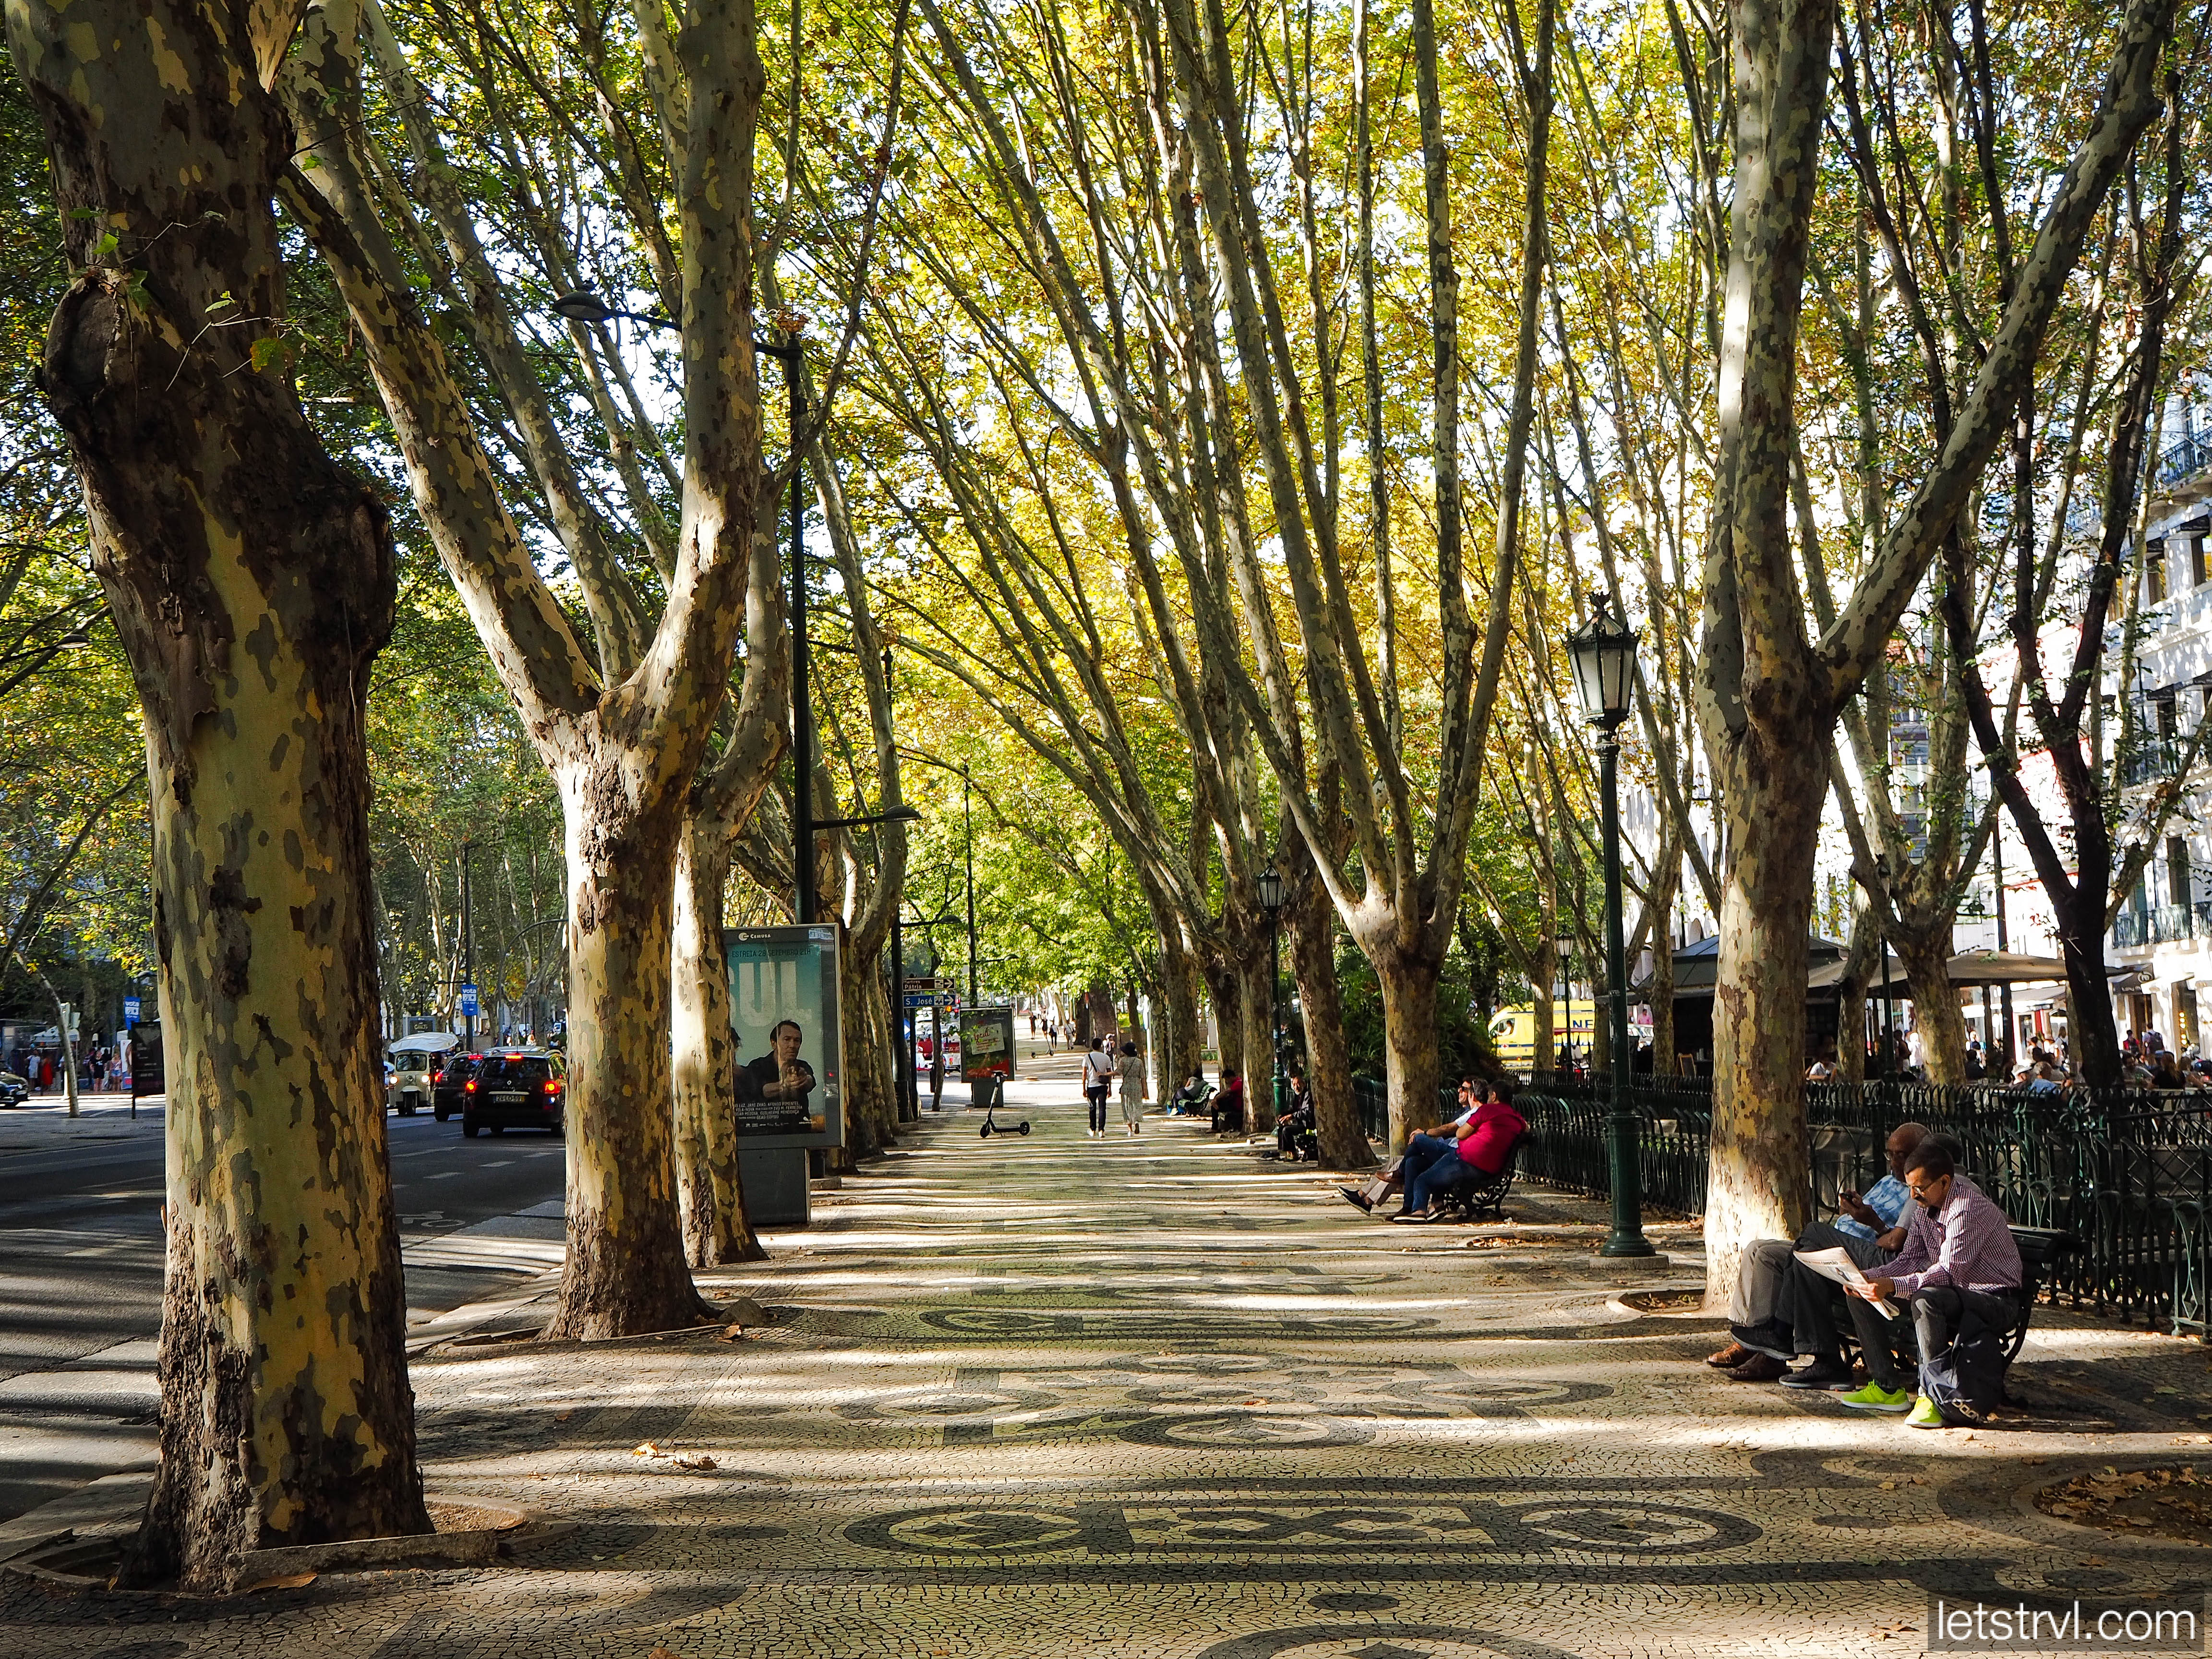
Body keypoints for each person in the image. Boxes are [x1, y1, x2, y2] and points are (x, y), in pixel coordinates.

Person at [1706, 1121, 1928, 1385]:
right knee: (1764, 1251)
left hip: (1869, 1259)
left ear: (1920, 1154)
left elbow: (1896, 1244)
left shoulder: (1921, 1187)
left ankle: (1777, 1340)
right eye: (1890, 1154)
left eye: (1900, 1156)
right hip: (1843, 1245)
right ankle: (1760, 1342)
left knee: (1810, 1236)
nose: (1893, 1162)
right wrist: (1855, 1211)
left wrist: (1872, 1222)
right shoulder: (1889, 1180)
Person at [1839, 1142, 2023, 1426]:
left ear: (1945, 1181)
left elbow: (1949, 1273)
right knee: (1861, 1294)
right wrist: (1869, 1277)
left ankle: (1932, 1396)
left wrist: (1892, 1285)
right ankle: (1887, 1387)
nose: (1913, 1195)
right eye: (1910, 1187)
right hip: (1957, 1292)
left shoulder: (1967, 1209)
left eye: (1920, 1188)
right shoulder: (1923, 1206)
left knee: (1927, 1299)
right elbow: (1909, 1259)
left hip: (1995, 1298)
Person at [1338, 1079, 1482, 1212]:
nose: (1459, 1091)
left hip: (1451, 1156)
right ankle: (1364, 1195)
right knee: (1402, 1161)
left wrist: (1426, 1133)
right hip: (1445, 1151)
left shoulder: (1474, 1114)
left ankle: (1368, 1200)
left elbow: (1451, 1130)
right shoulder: (1462, 1112)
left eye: (1464, 1089)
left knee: (1413, 1148)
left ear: (1473, 1095)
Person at [1391, 1084, 1527, 1223]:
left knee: (1421, 1168)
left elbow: (1460, 1134)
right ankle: (1433, 1206)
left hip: (1465, 1160)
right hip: (1489, 1168)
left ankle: (1419, 1211)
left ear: (1494, 1096)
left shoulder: (1487, 1110)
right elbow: (1527, 1128)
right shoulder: (1517, 1118)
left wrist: (1476, 1130)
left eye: (1490, 1095)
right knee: (1414, 1162)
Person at [745, 1019, 817, 1106]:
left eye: (797, 1041)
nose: (792, 1045)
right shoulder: (757, 1066)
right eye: (787, 1039)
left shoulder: (803, 1065)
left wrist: (806, 1080)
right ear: (774, 1043)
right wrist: (785, 1085)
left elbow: (810, 1082)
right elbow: (761, 1090)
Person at [1082, 1038, 1114, 1138]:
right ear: (1101, 1046)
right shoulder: (1106, 1058)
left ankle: (1093, 1129)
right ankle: (1101, 1130)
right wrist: (1110, 1088)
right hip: (1103, 1086)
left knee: (1092, 1108)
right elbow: (1109, 1074)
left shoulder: (1087, 1057)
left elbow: (1084, 1074)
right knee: (1102, 1109)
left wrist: (1084, 1088)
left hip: (1091, 1086)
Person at [1117, 1041, 1145, 1135]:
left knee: (1126, 1106)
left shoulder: (1123, 1061)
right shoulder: (1139, 1062)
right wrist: (1144, 1091)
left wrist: (1107, 1074)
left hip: (1127, 1085)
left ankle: (1130, 1129)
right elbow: (1143, 1077)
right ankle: (1137, 1122)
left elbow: (1118, 1072)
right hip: (1137, 1085)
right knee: (1137, 1105)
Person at [1212, 1068, 1246, 1134]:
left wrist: (1215, 1099)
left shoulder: (1238, 1083)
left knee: (1214, 1107)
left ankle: (1214, 1128)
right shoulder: (1238, 1081)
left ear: (1230, 1077)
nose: (1226, 1082)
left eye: (1226, 1079)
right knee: (1217, 1103)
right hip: (1234, 1103)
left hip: (1236, 1106)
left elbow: (1227, 1092)